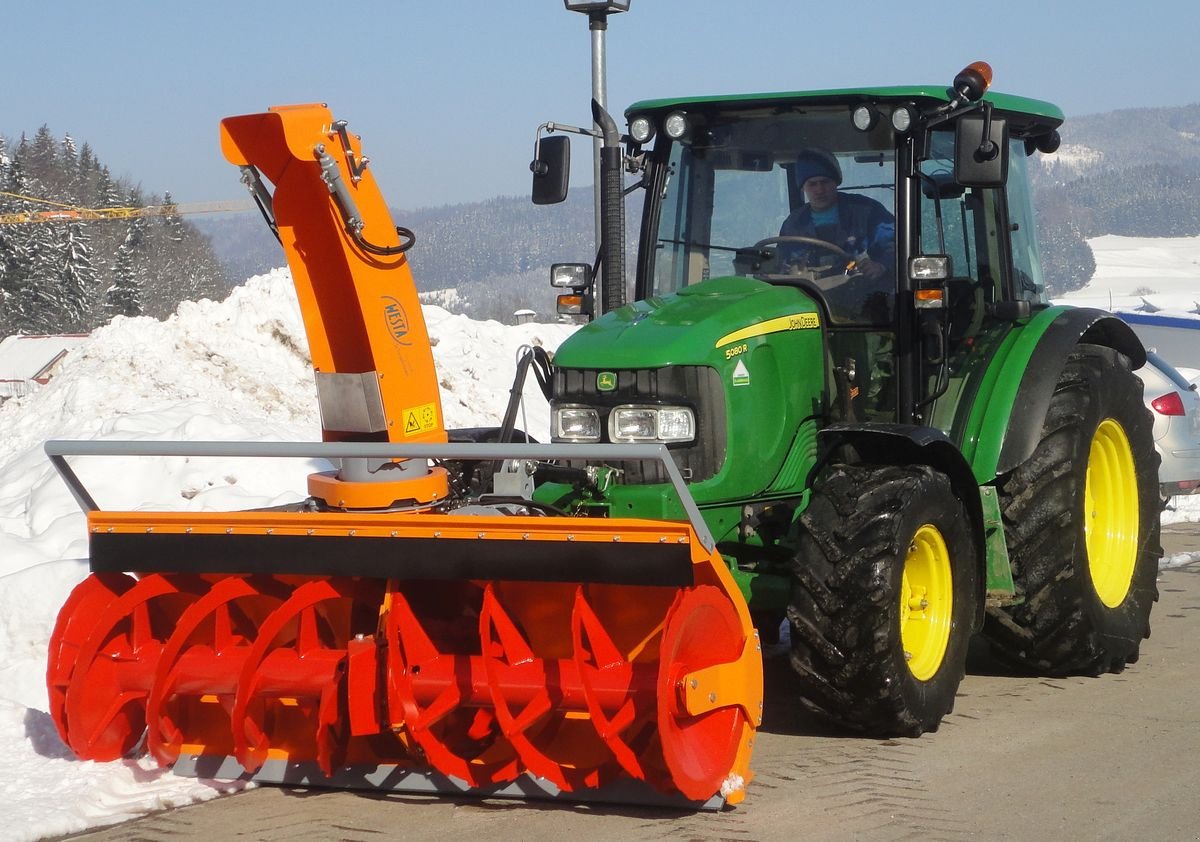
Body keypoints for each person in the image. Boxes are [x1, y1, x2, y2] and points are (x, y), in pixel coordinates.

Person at [778, 148, 895, 290]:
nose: (819, 190)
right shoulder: (793, 224)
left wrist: (881, 265)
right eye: (812, 184)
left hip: (865, 293)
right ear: (803, 187)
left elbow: (896, 244)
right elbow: (784, 263)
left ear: (836, 182)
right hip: (812, 294)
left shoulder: (866, 211)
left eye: (825, 182)